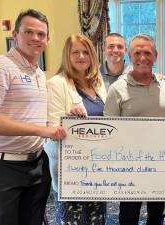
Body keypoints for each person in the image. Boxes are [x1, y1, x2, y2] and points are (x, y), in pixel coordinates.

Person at [0, 9, 66, 225]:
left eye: (41, 34)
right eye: (29, 32)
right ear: (15, 35)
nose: (36, 38)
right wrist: (41, 131)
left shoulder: (39, 74)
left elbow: (34, 117)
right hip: (1, 167)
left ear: (48, 39)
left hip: (35, 165)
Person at [104, 34, 165, 225]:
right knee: (129, 216)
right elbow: (110, 131)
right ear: (130, 56)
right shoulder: (117, 89)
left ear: (155, 56)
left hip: (161, 164)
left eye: (147, 52)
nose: (142, 58)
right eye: (137, 53)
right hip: (130, 166)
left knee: (157, 215)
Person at [44, 34, 107, 224]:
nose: (81, 57)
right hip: (71, 170)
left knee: (98, 219)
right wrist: (69, 121)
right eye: (75, 52)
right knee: (74, 220)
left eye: (86, 52)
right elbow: (51, 128)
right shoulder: (56, 84)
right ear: (67, 56)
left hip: (98, 166)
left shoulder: (97, 82)